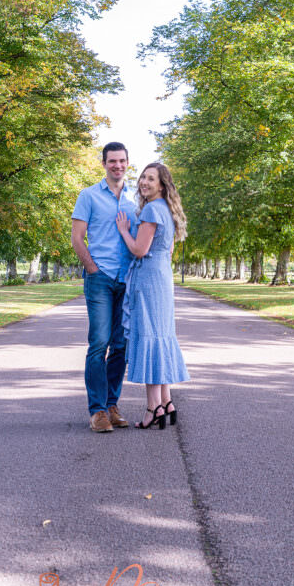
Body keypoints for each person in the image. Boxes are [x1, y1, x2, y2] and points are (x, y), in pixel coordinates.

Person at [115, 162, 189, 429]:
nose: (144, 182)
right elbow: (166, 249)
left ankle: (153, 407)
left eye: (151, 179)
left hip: (148, 280)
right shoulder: (167, 211)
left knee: (149, 337)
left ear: (161, 185)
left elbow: (139, 249)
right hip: (161, 277)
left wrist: (124, 230)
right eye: (143, 177)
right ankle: (166, 401)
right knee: (160, 336)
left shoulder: (151, 211)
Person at [71, 142, 138, 433]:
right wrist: (91, 268)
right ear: (104, 164)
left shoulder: (137, 196)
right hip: (100, 278)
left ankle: (112, 405)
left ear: (127, 163)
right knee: (99, 343)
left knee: (121, 345)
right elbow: (77, 237)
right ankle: (97, 411)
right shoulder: (88, 196)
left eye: (122, 161)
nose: (118, 166)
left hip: (127, 280)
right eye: (112, 161)